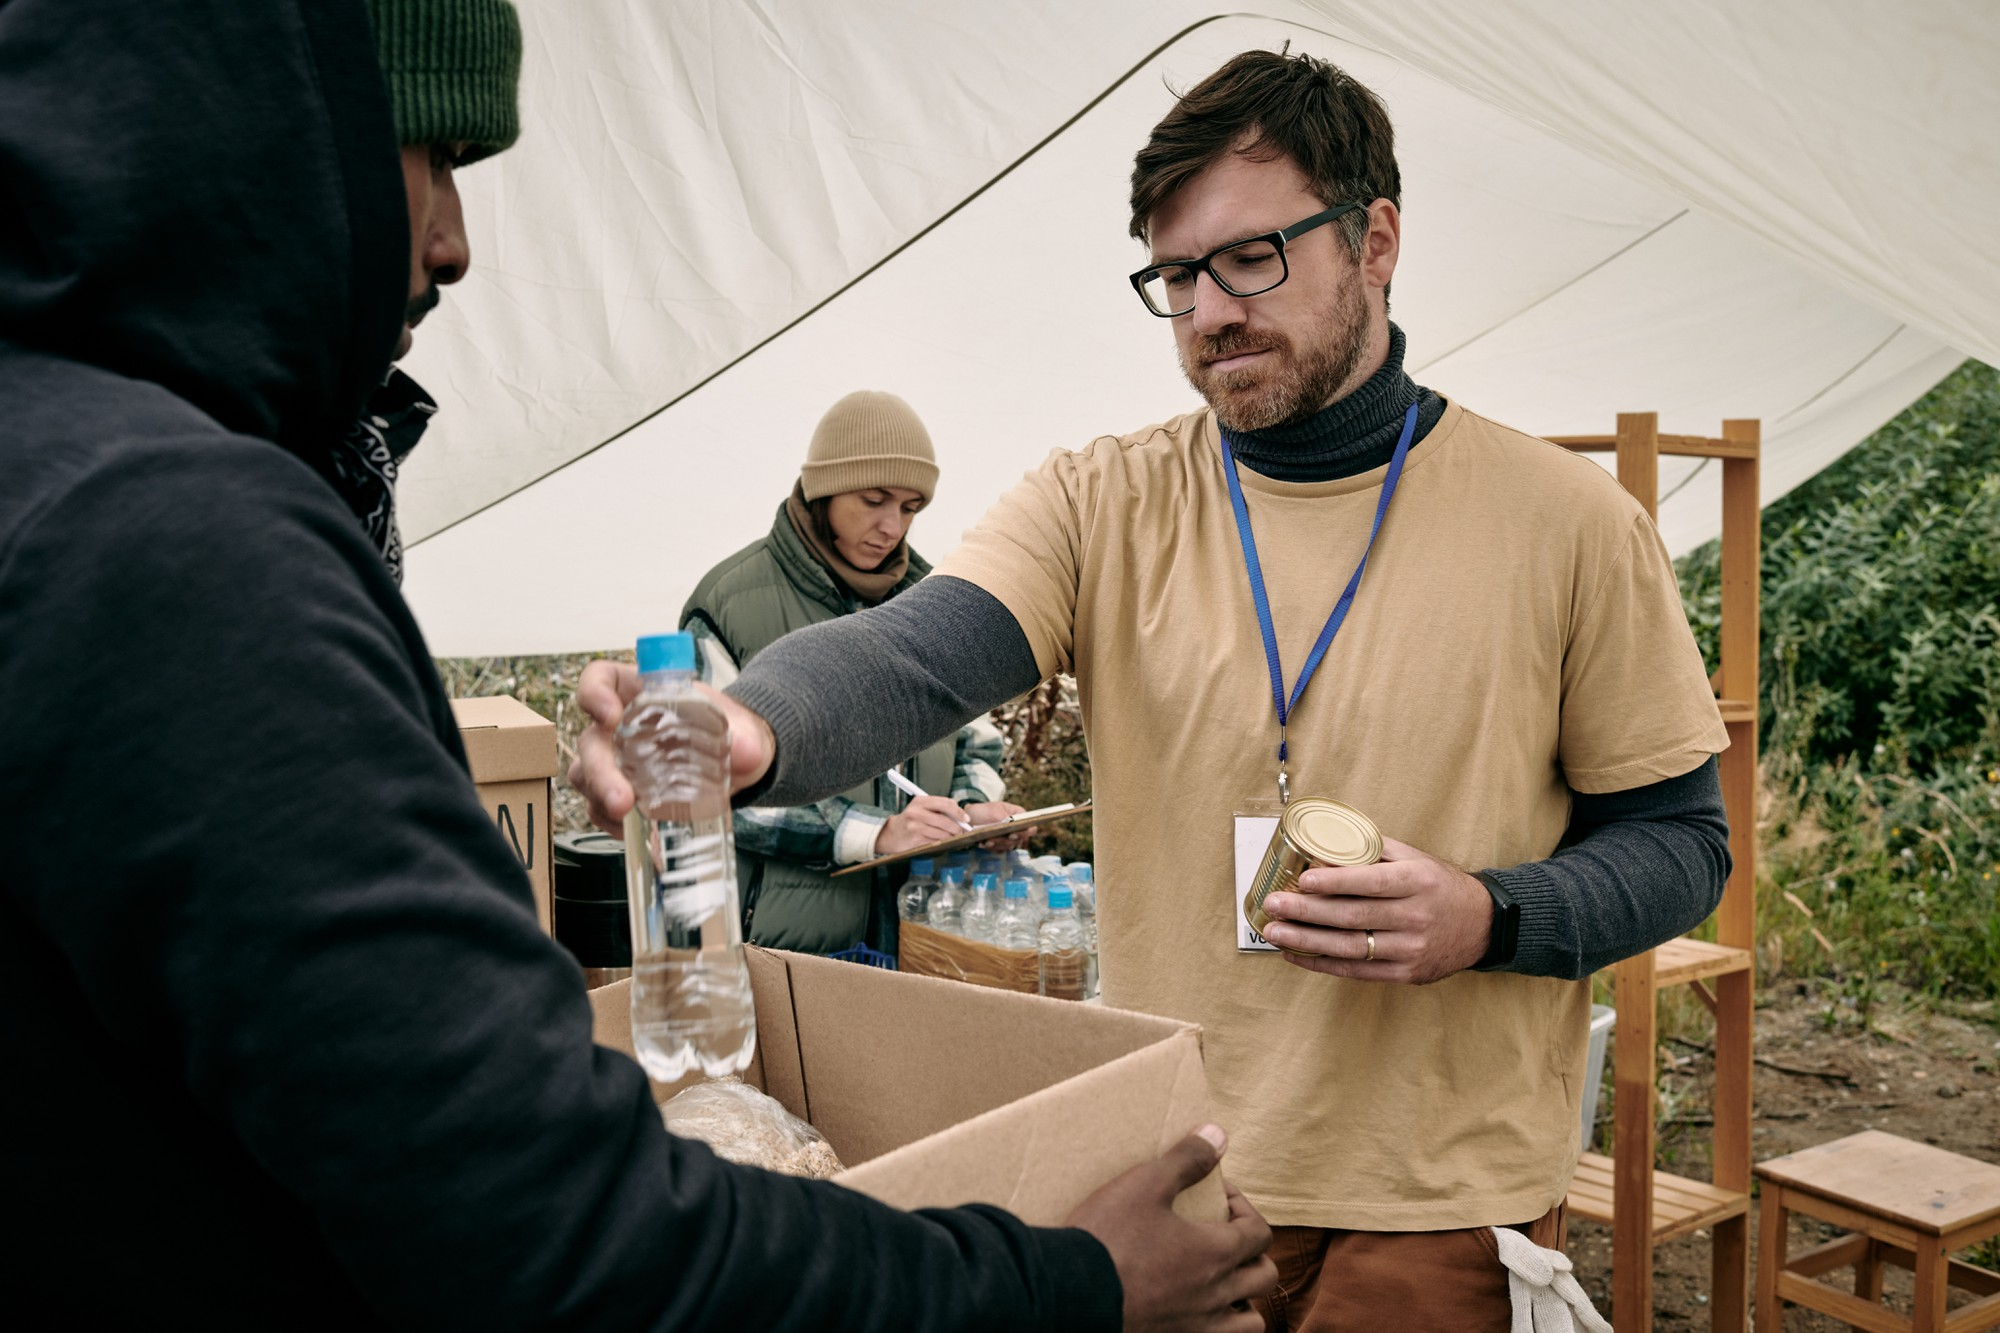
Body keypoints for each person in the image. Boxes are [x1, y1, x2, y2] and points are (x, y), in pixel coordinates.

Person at [0, 2, 1274, 1327]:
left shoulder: (62, 468)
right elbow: (559, 1229)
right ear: (257, 139)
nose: (453, 240)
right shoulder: (172, 547)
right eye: (430, 157)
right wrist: (1068, 1281)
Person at [574, 48, 1732, 1330]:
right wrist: (749, 724)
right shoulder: (1103, 501)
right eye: (1174, 277)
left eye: (1250, 258)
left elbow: (1681, 842)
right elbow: (915, 651)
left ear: (1376, 239)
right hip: (1169, 1178)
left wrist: (1488, 916)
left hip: (1439, 1199)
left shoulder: (1565, 524)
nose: (1208, 313)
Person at [681, 390, 1025, 955]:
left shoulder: (936, 599)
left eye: (911, 508)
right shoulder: (728, 603)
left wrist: (968, 816)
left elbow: (977, 743)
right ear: (824, 489)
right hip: (782, 950)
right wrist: (876, 833)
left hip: (922, 937)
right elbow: (703, 785)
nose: (892, 526)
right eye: (874, 500)